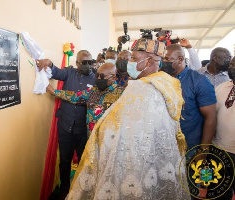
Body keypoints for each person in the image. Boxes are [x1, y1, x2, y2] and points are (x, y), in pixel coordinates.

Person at [66, 39, 190, 200]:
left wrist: (102, 130)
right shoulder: (163, 82)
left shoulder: (144, 89)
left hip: (134, 161)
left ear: (150, 61)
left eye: (133, 59)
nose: (129, 63)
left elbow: (126, 128)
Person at [36, 50, 95, 199]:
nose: (88, 65)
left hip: (83, 130)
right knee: (64, 160)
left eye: (90, 62)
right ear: (77, 63)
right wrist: (48, 63)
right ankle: (64, 189)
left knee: (83, 161)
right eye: (84, 62)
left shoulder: (95, 79)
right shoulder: (69, 73)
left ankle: (82, 189)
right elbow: (56, 72)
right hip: (66, 126)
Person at [162, 44, 217, 199]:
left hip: (191, 148)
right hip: (165, 147)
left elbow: (211, 118)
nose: (163, 62)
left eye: (167, 59)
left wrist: (203, 151)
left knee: (189, 189)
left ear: (180, 59)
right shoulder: (162, 79)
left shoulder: (199, 81)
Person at [46, 63, 124, 137]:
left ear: (113, 77)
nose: (99, 78)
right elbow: (75, 96)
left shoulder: (121, 94)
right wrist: (54, 92)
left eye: (102, 76)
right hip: (91, 139)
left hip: (108, 140)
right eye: (98, 75)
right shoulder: (94, 90)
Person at [211, 56, 235, 200]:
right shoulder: (221, 87)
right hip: (220, 149)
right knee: (219, 191)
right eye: (231, 64)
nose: (232, 68)